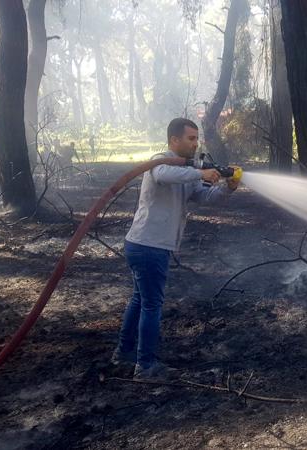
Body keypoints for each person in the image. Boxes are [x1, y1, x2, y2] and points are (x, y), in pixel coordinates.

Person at [112, 118, 240, 379]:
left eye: (196, 138)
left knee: (140, 300)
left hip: (147, 245)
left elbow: (205, 196)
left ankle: (123, 353)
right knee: (152, 305)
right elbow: (164, 174)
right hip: (148, 246)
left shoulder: (187, 171)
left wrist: (228, 188)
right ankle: (145, 366)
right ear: (174, 140)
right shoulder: (160, 161)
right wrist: (200, 173)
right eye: (191, 138)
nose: (196, 144)